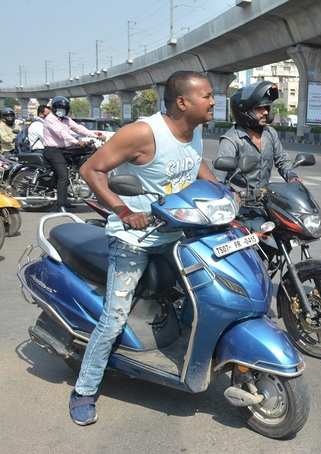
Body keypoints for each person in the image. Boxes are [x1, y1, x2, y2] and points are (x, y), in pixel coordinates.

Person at [71, 70, 219, 426]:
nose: (214, 101)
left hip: (179, 232)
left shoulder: (194, 130)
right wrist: (123, 211)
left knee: (203, 291)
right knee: (114, 317)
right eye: (208, 96)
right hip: (134, 239)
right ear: (183, 102)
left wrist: (222, 192)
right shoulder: (143, 133)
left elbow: (195, 164)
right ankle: (85, 389)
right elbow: (91, 170)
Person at [214, 81, 298, 187]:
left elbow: (282, 160)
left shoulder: (270, 133)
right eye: (259, 108)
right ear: (244, 111)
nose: (266, 112)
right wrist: (233, 195)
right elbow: (219, 179)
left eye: (267, 108)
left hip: (264, 196)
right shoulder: (231, 139)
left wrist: (292, 176)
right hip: (240, 198)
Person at [42, 96, 100, 210]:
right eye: (59, 108)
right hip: (52, 150)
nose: (61, 110)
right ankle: (61, 204)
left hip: (63, 150)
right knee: (63, 176)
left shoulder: (66, 119)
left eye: (63, 108)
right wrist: (77, 142)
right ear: (54, 108)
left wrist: (95, 135)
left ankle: (67, 197)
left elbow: (78, 128)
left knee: (74, 167)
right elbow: (61, 133)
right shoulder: (50, 119)